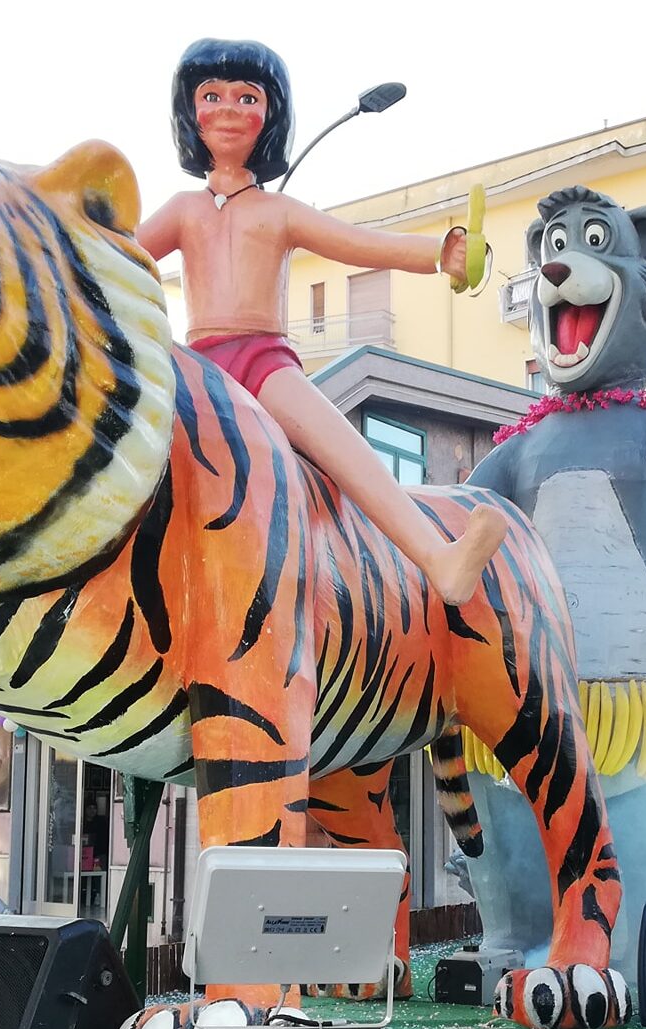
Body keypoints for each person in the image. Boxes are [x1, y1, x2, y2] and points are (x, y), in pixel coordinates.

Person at [136, 38, 505, 605]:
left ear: (270, 116)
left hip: (261, 362)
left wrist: (439, 253)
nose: (229, 110)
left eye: (247, 97)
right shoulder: (183, 211)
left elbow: (359, 244)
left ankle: (438, 558)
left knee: (343, 445)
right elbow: (121, 255)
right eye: (212, 96)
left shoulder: (279, 211)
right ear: (190, 113)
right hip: (196, 367)